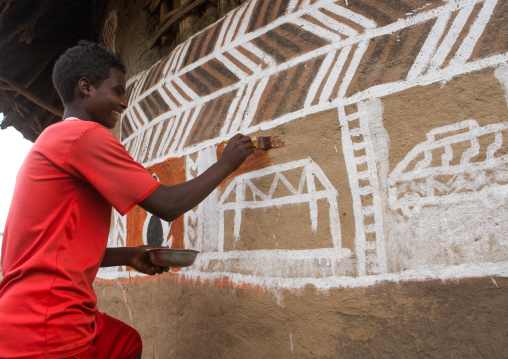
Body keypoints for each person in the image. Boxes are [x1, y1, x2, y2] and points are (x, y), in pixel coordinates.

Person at [0, 41, 254, 359]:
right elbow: (167, 204)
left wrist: (129, 254)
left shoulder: (53, 140)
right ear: (86, 87)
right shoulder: (84, 137)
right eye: (118, 91)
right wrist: (226, 164)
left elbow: (54, 252)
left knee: (125, 343)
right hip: (49, 323)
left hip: (22, 316)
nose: (124, 102)